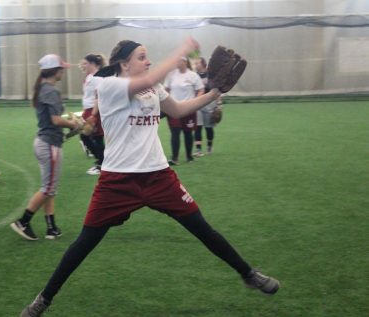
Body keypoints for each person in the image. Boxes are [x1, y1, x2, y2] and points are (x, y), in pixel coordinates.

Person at [20, 38, 279, 317]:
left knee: (202, 228)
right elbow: (145, 82)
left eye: (148, 57)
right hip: (118, 180)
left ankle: (248, 274)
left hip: (158, 176)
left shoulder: (151, 86)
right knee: (85, 243)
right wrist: (181, 51)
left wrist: (214, 92)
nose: (148, 61)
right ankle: (44, 299)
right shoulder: (108, 86)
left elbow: (178, 110)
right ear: (124, 63)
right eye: (142, 57)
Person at [10, 54, 82, 241]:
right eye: (61, 69)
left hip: (45, 143)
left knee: (50, 187)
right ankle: (23, 222)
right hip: (49, 144)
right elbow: (56, 120)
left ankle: (51, 227)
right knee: (48, 188)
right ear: (55, 71)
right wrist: (75, 124)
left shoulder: (44, 88)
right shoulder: (50, 91)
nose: (63, 72)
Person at [163, 56, 204, 164]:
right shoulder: (171, 75)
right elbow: (165, 90)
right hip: (173, 108)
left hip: (188, 109)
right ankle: (174, 158)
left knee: (188, 133)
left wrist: (194, 102)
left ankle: (189, 157)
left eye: (179, 60)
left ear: (185, 62)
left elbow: (200, 90)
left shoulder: (193, 75)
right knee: (175, 133)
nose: (177, 62)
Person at [80, 54, 106, 175]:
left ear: (92, 63)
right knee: (87, 136)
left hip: (94, 111)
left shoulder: (98, 78)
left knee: (95, 137)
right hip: (88, 110)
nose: (83, 65)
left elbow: (99, 97)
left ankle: (102, 164)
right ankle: (101, 161)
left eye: (85, 63)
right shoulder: (89, 77)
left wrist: (94, 114)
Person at [193, 57, 221, 156]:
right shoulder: (194, 76)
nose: (195, 65)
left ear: (203, 64)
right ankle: (198, 149)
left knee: (209, 128)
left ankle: (209, 146)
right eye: (195, 63)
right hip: (197, 104)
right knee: (198, 127)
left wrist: (219, 104)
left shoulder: (210, 75)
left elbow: (216, 90)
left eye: (197, 63)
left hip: (210, 103)